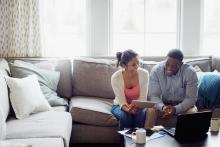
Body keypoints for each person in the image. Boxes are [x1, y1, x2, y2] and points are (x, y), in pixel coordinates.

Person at [148, 49, 198, 121]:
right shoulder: (156, 71)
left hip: (183, 105)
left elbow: (191, 99)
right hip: (163, 104)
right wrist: (163, 107)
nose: (169, 68)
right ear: (165, 59)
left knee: (192, 112)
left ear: (181, 64)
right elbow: (153, 95)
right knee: (150, 111)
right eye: (167, 64)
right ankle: (149, 132)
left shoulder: (190, 72)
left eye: (174, 66)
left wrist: (175, 109)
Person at [111, 49, 149, 130]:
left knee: (140, 115)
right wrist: (128, 109)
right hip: (120, 105)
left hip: (139, 105)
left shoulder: (144, 74)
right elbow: (121, 102)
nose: (137, 66)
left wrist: (136, 107)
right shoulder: (116, 77)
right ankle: (125, 142)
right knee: (125, 117)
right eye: (133, 65)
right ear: (124, 66)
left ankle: (138, 140)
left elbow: (143, 98)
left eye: (138, 63)